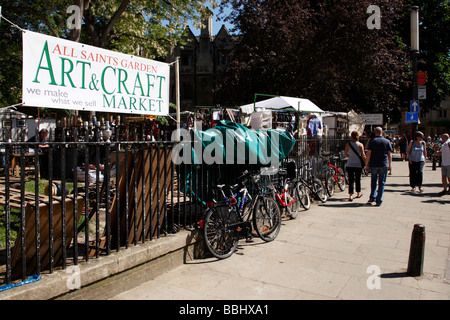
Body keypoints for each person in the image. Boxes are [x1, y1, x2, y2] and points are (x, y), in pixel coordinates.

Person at [364, 127, 393, 206]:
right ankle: (379, 200)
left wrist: (367, 164)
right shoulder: (387, 141)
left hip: (374, 164)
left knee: (373, 180)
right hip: (384, 164)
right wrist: (390, 165)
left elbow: (369, 153)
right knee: (382, 183)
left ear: (375, 132)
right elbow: (389, 154)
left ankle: (372, 196)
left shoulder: (372, 141)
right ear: (382, 132)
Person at [344, 131, 366, 201]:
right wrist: (366, 163)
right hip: (358, 164)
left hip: (350, 164)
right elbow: (363, 155)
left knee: (351, 179)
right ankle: (358, 193)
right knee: (357, 179)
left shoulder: (348, 144)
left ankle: (350, 195)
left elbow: (345, 154)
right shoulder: (360, 145)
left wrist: (350, 156)